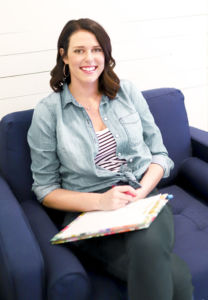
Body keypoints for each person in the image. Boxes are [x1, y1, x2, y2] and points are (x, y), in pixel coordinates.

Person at [27, 18, 193, 300]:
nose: (89, 58)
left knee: (148, 249)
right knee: (174, 275)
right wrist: (101, 202)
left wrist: (141, 193)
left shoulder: (127, 93)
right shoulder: (48, 111)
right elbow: (45, 190)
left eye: (96, 49)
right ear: (64, 55)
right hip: (88, 212)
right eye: (79, 50)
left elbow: (160, 155)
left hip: (142, 200)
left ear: (106, 54)